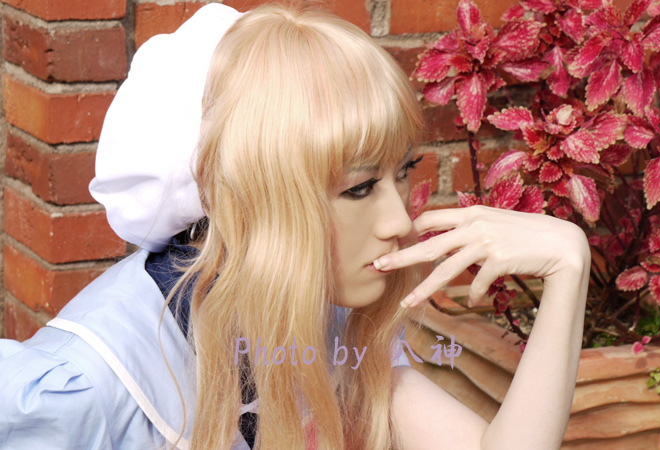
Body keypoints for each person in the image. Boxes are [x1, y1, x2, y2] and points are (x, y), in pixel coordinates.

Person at [0, 2, 591, 449]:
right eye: (359, 187)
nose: (397, 220)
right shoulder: (87, 390)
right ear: (256, 200)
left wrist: (570, 262)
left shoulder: (320, 321)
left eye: (402, 172)